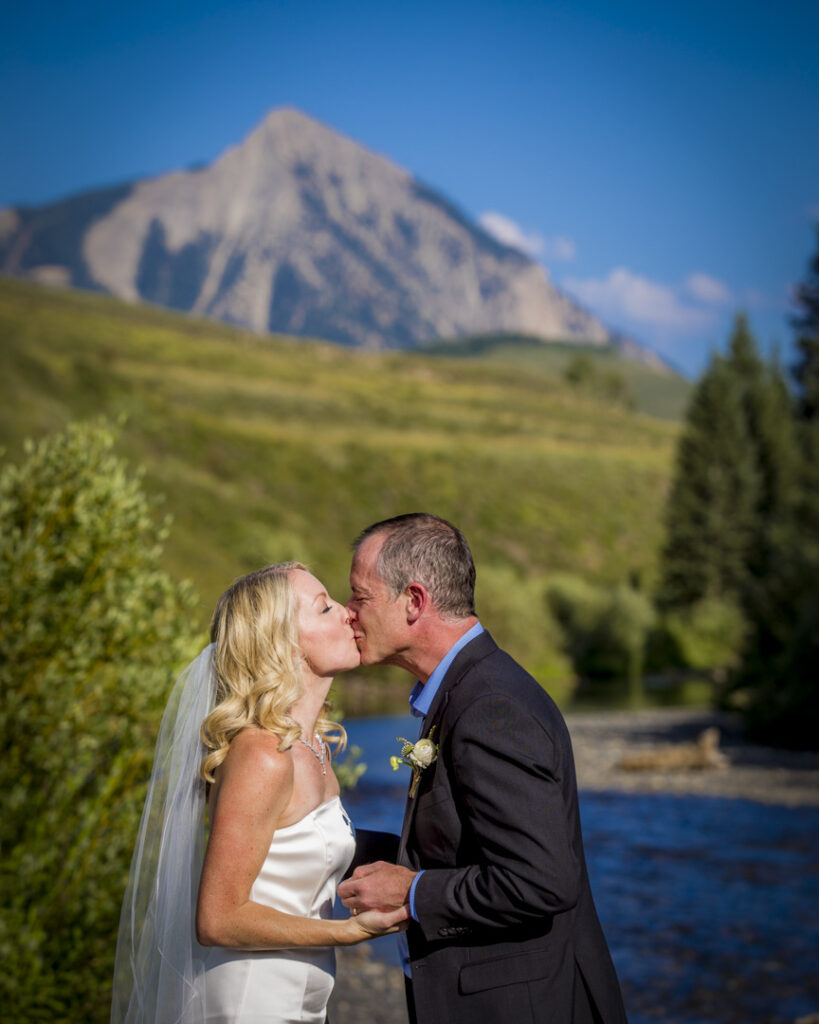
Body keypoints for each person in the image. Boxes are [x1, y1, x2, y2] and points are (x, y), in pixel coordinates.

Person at [338, 515, 627, 1024]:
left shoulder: (492, 707)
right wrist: (324, 843)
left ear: (414, 601)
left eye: (360, 596)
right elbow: (459, 849)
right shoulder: (471, 691)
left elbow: (541, 881)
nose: (349, 612)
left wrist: (411, 894)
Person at [111, 562, 407, 1024]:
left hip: (302, 999)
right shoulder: (262, 755)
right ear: (283, 642)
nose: (348, 613)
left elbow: (302, 851)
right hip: (249, 1002)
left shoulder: (312, 746)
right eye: (325, 607)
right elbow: (218, 919)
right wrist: (347, 931)